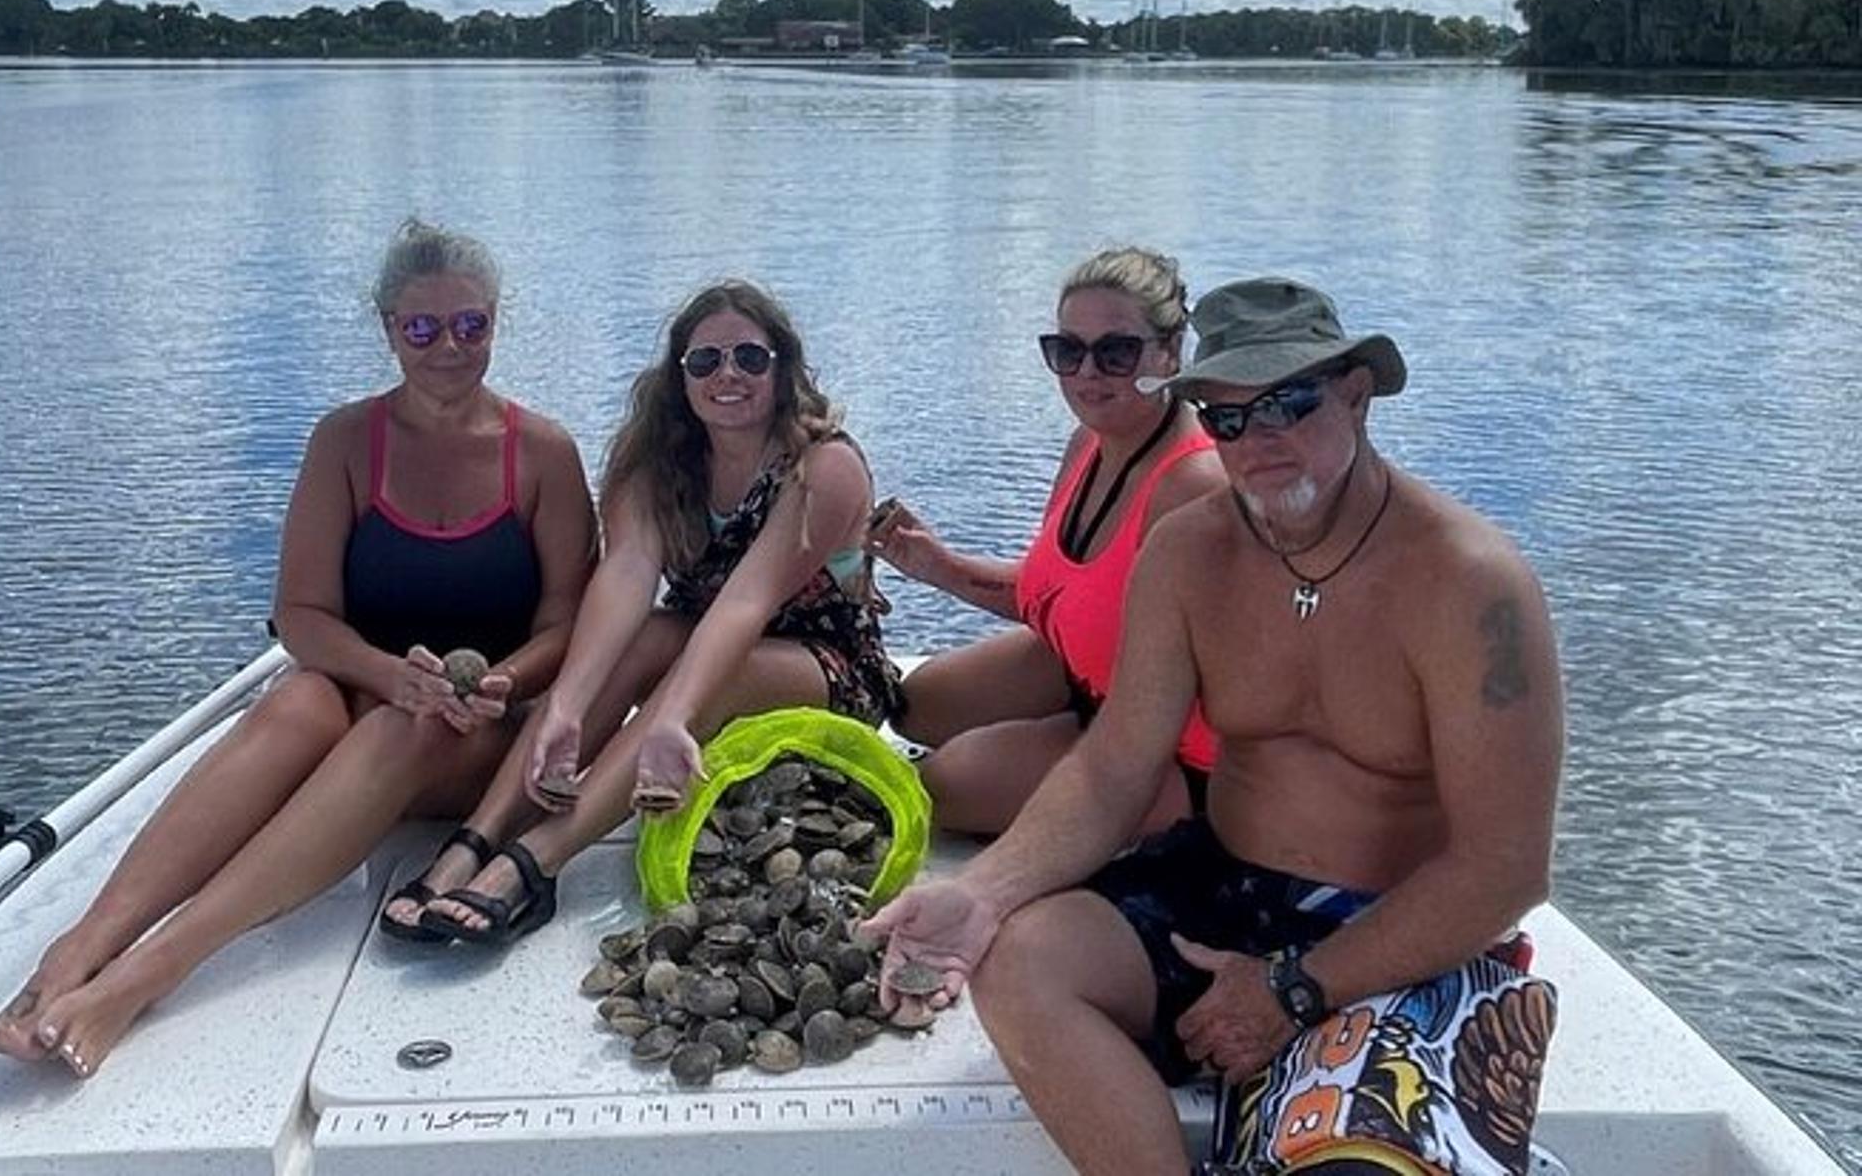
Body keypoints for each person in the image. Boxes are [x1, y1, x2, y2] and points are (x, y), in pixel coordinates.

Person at [865, 278, 1564, 1176]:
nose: (1257, 442)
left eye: (1287, 404)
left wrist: (1292, 989)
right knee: (1026, 962)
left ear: (1356, 393)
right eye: (1227, 420)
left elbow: (1504, 868)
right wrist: (986, 892)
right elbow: (1116, 761)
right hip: (1222, 889)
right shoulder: (1191, 552)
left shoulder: (1470, 587)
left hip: (1397, 930)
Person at [0, 219, 596, 1077]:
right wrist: (387, 675)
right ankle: (77, 952)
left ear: (494, 322)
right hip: (368, 702)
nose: (448, 347)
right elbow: (301, 615)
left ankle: (152, 970)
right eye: (423, 328)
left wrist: (498, 678)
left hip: (481, 733)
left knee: (399, 729)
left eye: (469, 325)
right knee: (298, 696)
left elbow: (570, 626)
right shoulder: (346, 442)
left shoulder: (545, 454)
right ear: (389, 330)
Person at [410, 278, 903, 941]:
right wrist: (566, 706)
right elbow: (625, 577)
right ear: (681, 376)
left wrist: (671, 716)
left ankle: (538, 860)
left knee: (731, 664)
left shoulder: (823, 465)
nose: (727, 375)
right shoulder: (660, 463)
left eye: (750, 358)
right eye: (706, 361)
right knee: (639, 637)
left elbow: (746, 601)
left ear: (782, 368)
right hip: (708, 647)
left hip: (829, 669)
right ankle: (481, 835)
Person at [870, 248, 1223, 833]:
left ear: (1170, 351)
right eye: (1067, 351)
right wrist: (938, 566)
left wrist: (1077, 750)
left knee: (939, 787)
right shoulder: (1087, 444)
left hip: (1164, 746)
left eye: (1115, 352)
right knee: (913, 705)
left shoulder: (1193, 486)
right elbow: (1065, 595)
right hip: (1083, 674)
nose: (1086, 373)